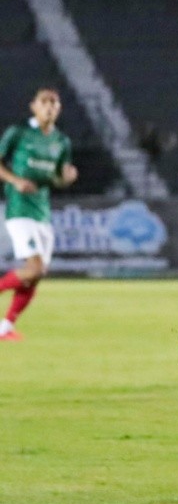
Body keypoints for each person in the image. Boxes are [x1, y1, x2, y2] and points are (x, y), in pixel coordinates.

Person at [0, 87, 77, 341]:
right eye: (44, 102)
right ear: (33, 106)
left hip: (42, 212)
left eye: (54, 102)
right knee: (34, 268)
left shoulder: (61, 142)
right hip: (19, 209)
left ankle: (6, 327)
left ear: (59, 109)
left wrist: (66, 178)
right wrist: (14, 180)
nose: (49, 106)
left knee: (37, 275)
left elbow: (57, 178)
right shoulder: (19, 133)